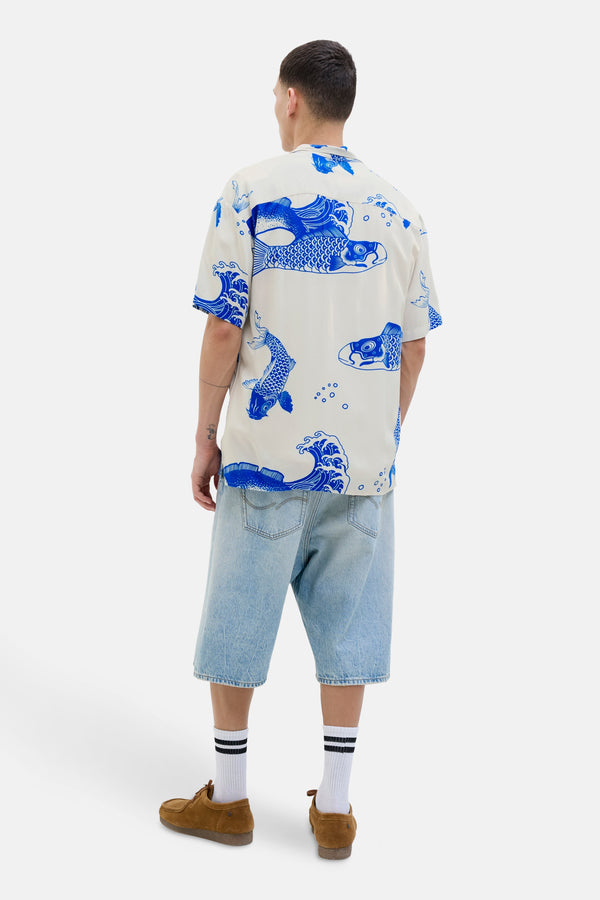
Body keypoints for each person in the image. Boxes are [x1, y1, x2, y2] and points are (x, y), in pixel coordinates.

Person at [159, 39, 442, 859]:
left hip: (265, 456)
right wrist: (383, 434)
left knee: (238, 620)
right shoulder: (401, 210)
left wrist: (205, 435)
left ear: (291, 98)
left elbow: (224, 327)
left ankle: (231, 798)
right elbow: (414, 346)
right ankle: (337, 809)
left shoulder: (249, 189)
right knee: (350, 631)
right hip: (363, 467)